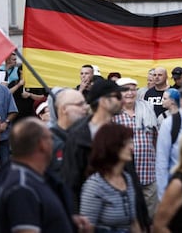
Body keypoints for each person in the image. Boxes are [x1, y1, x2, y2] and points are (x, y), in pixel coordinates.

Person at [61, 79, 151, 231]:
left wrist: (143, 221)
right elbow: (71, 181)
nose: (122, 100)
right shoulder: (79, 135)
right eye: (117, 96)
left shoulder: (119, 133)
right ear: (103, 101)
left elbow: (131, 179)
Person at [0, 117, 80, 233]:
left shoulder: (37, 177)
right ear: (42, 144)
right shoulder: (21, 188)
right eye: (50, 138)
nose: (53, 143)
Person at [80, 123, 141, 233]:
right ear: (113, 146)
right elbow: (87, 229)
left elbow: (133, 222)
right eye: (127, 143)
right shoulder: (95, 185)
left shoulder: (127, 179)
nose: (132, 147)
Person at [113, 77, 158, 219]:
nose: (130, 93)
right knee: (130, 218)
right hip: (123, 176)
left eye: (133, 89)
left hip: (148, 173)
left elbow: (156, 138)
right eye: (125, 90)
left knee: (149, 217)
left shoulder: (147, 108)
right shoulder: (113, 113)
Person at [48, 88, 89, 177]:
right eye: (80, 104)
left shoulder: (87, 137)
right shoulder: (47, 142)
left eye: (85, 103)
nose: (86, 108)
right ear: (64, 109)